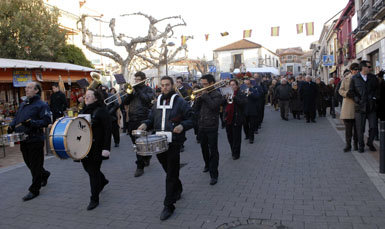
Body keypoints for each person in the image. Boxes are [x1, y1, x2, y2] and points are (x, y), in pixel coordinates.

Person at [137, 76, 193, 221]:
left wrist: (183, 126)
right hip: (158, 142)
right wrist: (144, 124)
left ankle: (169, 205)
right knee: (169, 171)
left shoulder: (180, 102)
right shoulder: (157, 102)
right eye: (162, 85)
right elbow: (151, 119)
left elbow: (192, 118)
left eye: (167, 85)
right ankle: (178, 188)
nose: (165, 88)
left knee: (170, 174)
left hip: (174, 142)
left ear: (173, 85)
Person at [8, 82, 51, 201]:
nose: (26, 89)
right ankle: (44, 174)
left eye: (29, 88)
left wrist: (33, 123)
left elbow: (46, 121)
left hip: (35, 139)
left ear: (36, 90)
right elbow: (17, 117)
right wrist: (11, 125)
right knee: (29, 164)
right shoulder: (24, 103)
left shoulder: (42, 105)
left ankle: (34, 189)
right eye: (26, 88)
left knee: (35, 166)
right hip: (23, 139)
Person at [79, 89, 111, 210]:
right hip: (85, 146)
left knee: (93, 172)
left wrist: (106, 148)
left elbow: (108, 131)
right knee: (88, 169)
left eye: (89, 96)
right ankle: (102, 181)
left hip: (97, 147)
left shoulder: (102, 111)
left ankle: (94, 199)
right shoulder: (84, 110)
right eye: (85, 96)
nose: (86, 98)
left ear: (96, 98)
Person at [123, 71, 155, 177]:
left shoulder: (148, 89)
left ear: (143, 80)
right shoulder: (133, 90)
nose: (136, 81)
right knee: (135, 143)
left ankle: (139, 166)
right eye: (135, 79)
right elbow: (126, 103)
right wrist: (129, 94)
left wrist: (139, 91)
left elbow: (148, 100)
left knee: (139, 143)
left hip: (143, 119)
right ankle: (146, 156)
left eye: (138, 80)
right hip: (132, 119)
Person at [194, 74, 223, 185]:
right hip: (201, 125)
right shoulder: (202, 94)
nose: (203, 86)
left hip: (212, 125)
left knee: (213, 150)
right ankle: (207, 164)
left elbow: (214, 107)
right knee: (203, 148)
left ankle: (214, 174)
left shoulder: (217, 94)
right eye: (202, 83)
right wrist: (197, 99)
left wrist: (205, 96)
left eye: (205, 84)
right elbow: (196, 109)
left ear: (211, 83)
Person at [349, 60, 379, 153]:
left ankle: (370, 143)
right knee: (360, 128)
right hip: (360, 107)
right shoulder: (354, 78)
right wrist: (357, 99)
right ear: (363, 68)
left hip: (371, 107)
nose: (370, 68)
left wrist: (374, 98)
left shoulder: (373, 77)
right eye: (369, 67)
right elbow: (351, 92)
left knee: (373, 127)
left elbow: (377, 90)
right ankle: (361, 145)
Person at [223, 79, 247, 160]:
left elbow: (243, 103)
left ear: (236, 85)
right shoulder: (227, 94)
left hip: (237, 118)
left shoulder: (240, 93)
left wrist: (235, 97)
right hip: (228, 118)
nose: (232, 86)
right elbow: (222, 105)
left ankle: (236, 153)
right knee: (230, 137)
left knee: (236, 137)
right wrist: (224, 98)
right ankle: (233, 151)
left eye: (233, 85)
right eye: (230, 85)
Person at [339, 64, 359, 152]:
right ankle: (348, 144)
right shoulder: (346, 79)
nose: (356, 71)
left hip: (358, 106)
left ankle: (356, 144)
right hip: (348, 106)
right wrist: (347, 93)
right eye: (354, 69)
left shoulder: (361, 78)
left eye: (357, 69)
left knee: (357, 128)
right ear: (351, 70)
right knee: (348, 129)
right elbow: (340, 90)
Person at [243, 78, 260, 143]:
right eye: (245, 84)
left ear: (250, 84)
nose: (247, 85)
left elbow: (257, 97)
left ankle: (251, 138)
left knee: (252, 125)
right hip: (244, 110)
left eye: (248, 84)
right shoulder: (242, 90)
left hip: (252, 110)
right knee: (245, 125)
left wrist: (251, 94)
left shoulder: (254, 90)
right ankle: (247, 135)